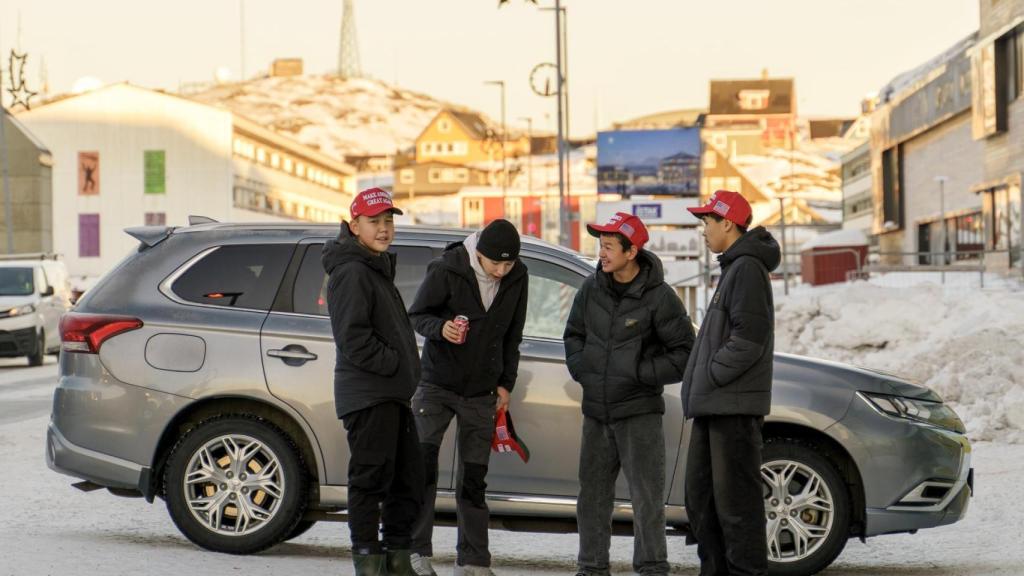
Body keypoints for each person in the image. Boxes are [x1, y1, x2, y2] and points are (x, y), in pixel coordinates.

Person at [563, 212, 695, 576]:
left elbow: (685, 352)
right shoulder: (591, 288)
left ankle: (652, 567)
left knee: (646, 498)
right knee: (592, 497)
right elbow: (573, 335)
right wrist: (584, 371)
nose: (601, 253)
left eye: (609, 247)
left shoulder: (660, 298)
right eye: (601, 246)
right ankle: (591, 567)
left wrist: (640, 374)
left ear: (631, 251)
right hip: (596, 413)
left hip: (639, 414)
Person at [407, 219, 529, 576]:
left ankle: (473, 561)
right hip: (437, 385)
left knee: (474, 478)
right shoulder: (447, 268)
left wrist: (505, 384)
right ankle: (415, 552)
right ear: (479, 254)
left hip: (481, 392)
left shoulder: (518, 277)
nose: (502, 271)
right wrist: (441, 328)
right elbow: (418, 315)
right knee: (423, 469)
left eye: (509, 264)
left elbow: (513, 335)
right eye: (495, 264)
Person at [322, 187, 423, 576]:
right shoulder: (352, 272)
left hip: (390, 393)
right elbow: (353, 339)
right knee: (371, 478)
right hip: (369, 394)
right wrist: (395, 364)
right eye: (374, 221)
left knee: (406, 479)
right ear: (354, 226)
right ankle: (368, 560)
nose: (384, 229)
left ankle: (397, 557)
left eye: (388, 221)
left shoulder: (374, 267)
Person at [681, 190, 781, 576]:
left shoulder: (747, 269)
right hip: (716, 406)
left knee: (736, 508)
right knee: (703, 502)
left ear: (727, 223)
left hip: (732, 409)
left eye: (707, 222)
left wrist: (711, 375)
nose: (703, 230)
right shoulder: (734, 267)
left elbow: (749, 339)